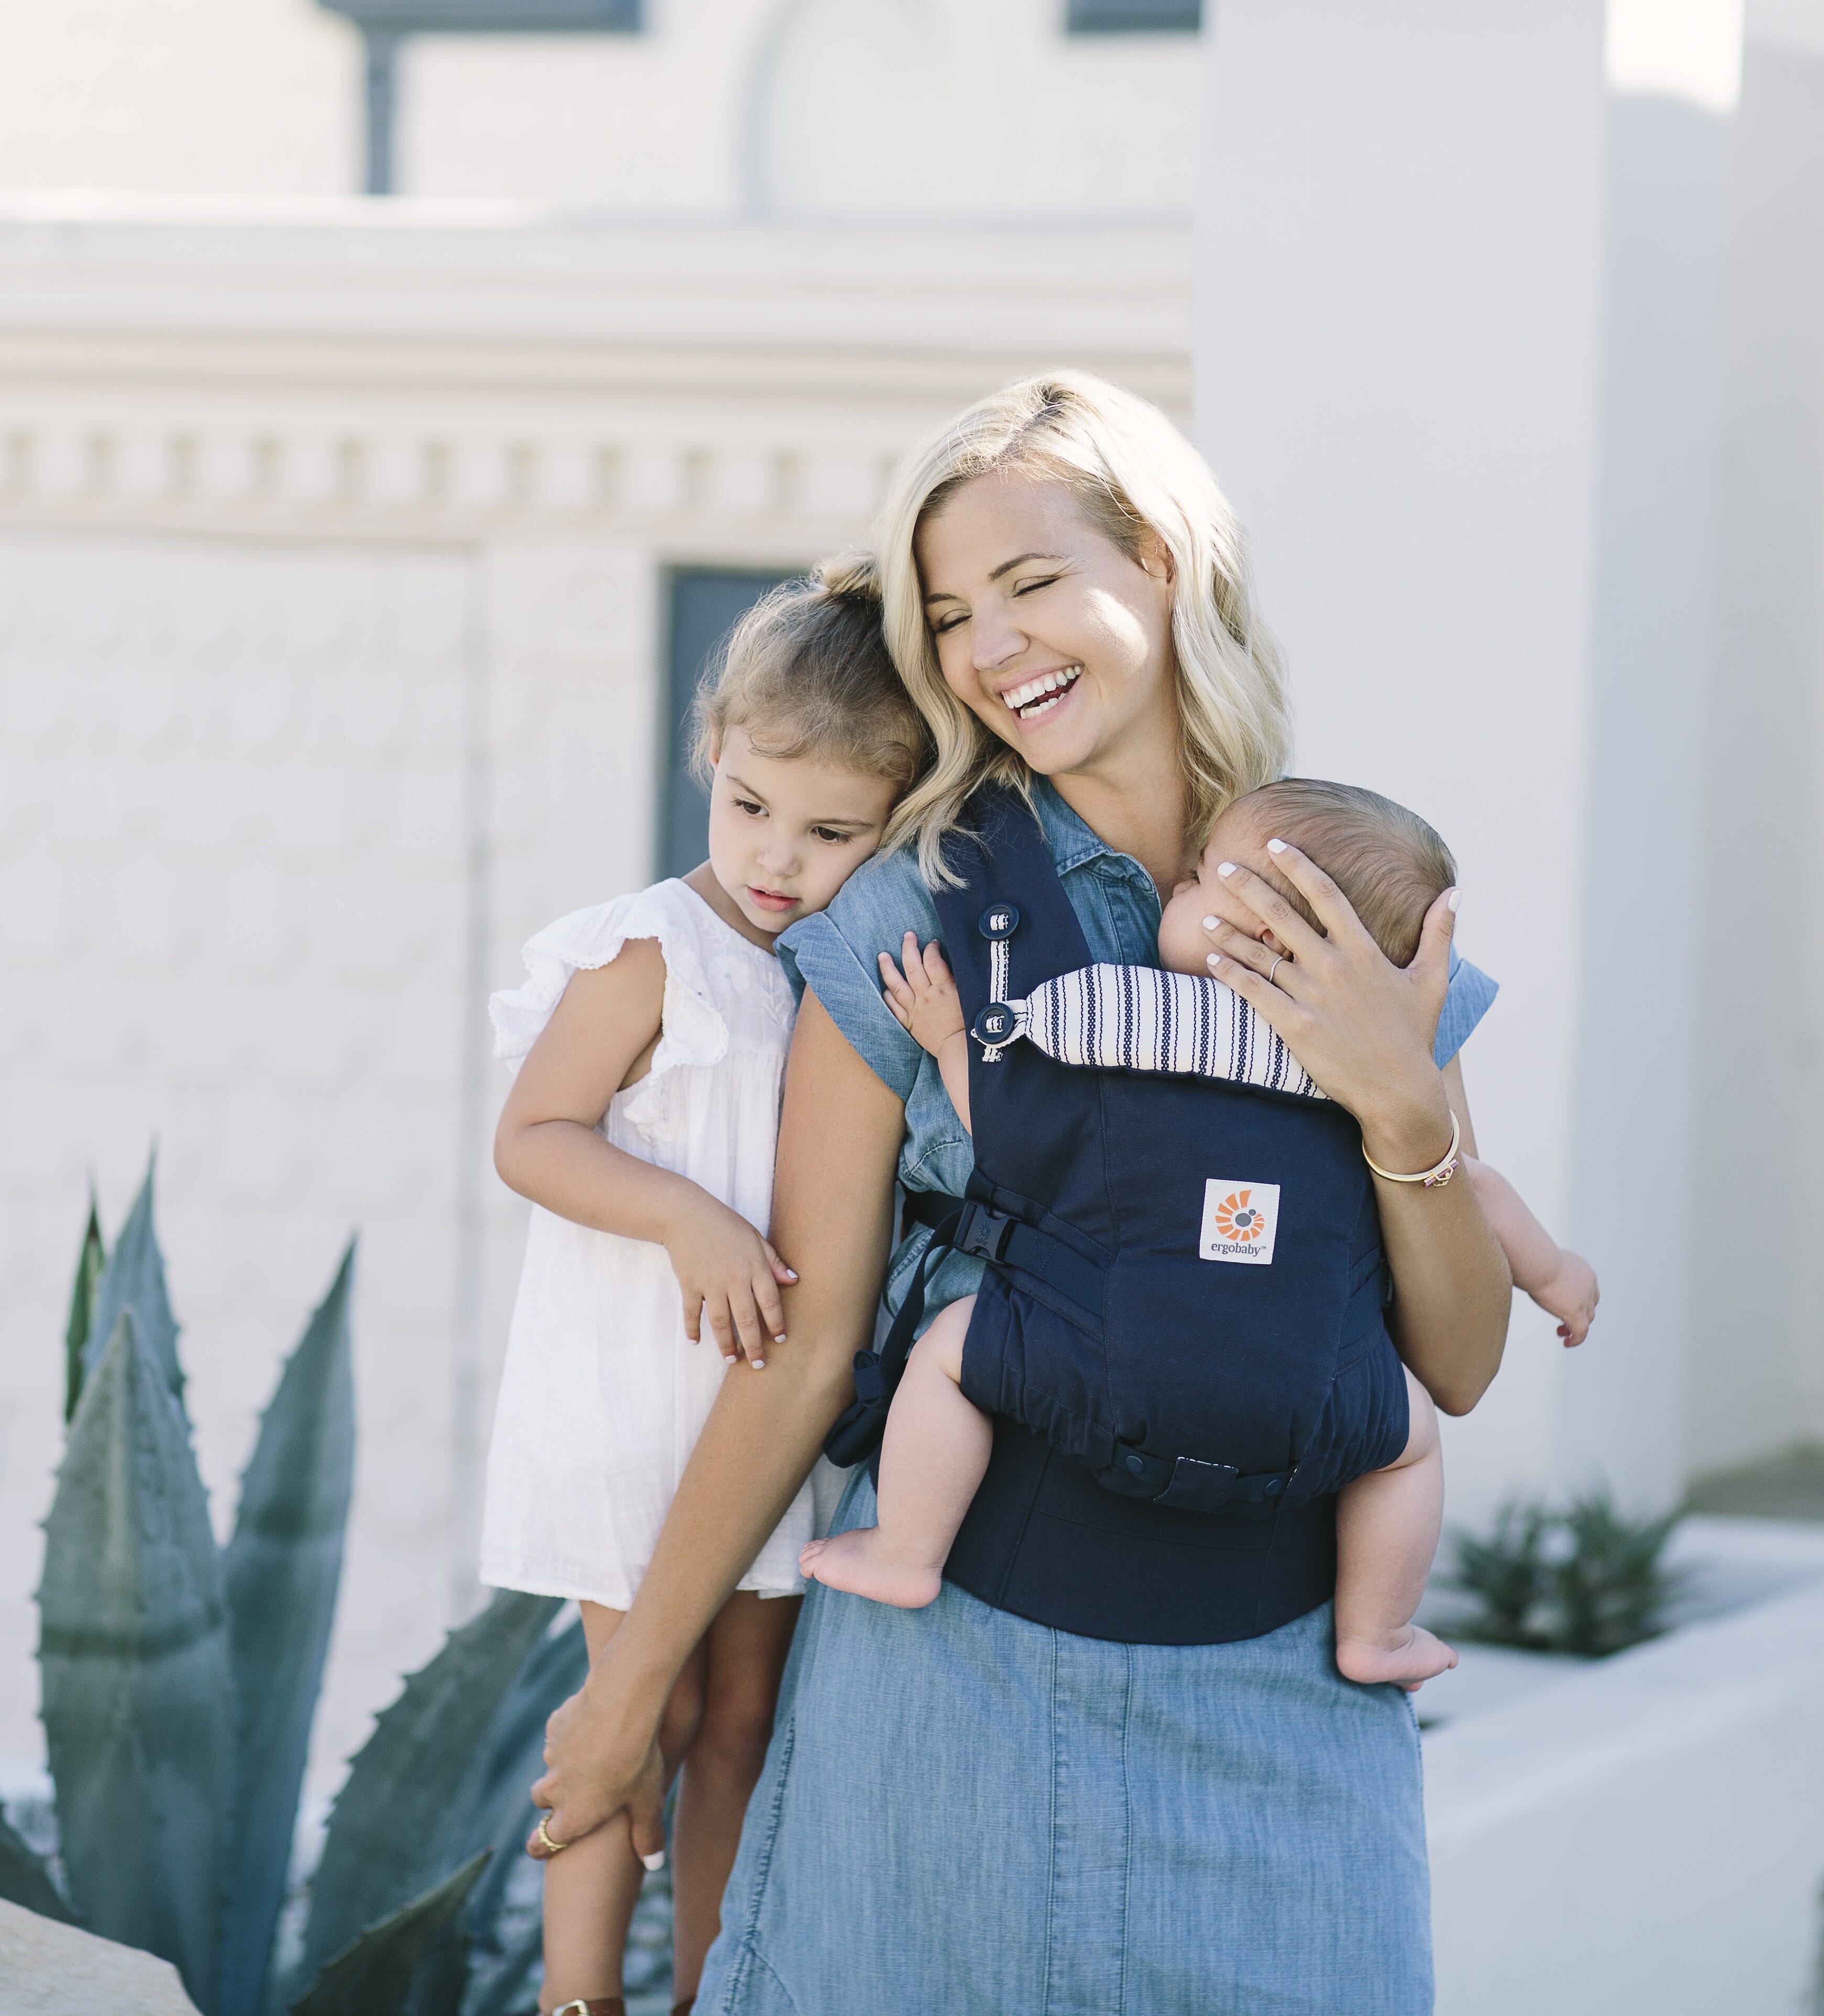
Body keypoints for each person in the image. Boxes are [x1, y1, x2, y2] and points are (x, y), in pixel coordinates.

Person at [524, 371, 1518, 2014]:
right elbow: (804, 1342)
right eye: (950, 615)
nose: (993, 648)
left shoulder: (1348, 885)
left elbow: (1462, 1361)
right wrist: (630, 1690)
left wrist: (1403, 1102)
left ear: (1162, 560)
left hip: (1287, 1716)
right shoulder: (912, 911)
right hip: (952, 1696)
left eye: (1032, 584)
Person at [800, 775, 1599, 1689]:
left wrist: (952, 1039)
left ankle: (907, 1548)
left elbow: (1022, 1135)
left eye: (1201, 884)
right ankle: (1378, 1631)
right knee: (1408, 1441)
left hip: (1101, 1358)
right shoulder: (1365, 1071)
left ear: (1263, 938)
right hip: (1309, 1391)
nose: (1177, 887)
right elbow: (1479, 1193)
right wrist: (1557, 1274)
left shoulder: (1126, 1014)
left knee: (950, 1354)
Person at [482, 566, 925, 2016]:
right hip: (633, 1397)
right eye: (747, 805)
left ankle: (709, 1989)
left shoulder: (841, 976)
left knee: (747, 1717)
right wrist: (686, 1217)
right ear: (709, 761)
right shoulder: (650, 948)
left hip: (769, 1422)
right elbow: (534, 1138)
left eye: (830, 831)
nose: (776, 858)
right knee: (647, 1707)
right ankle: (579, 1994)